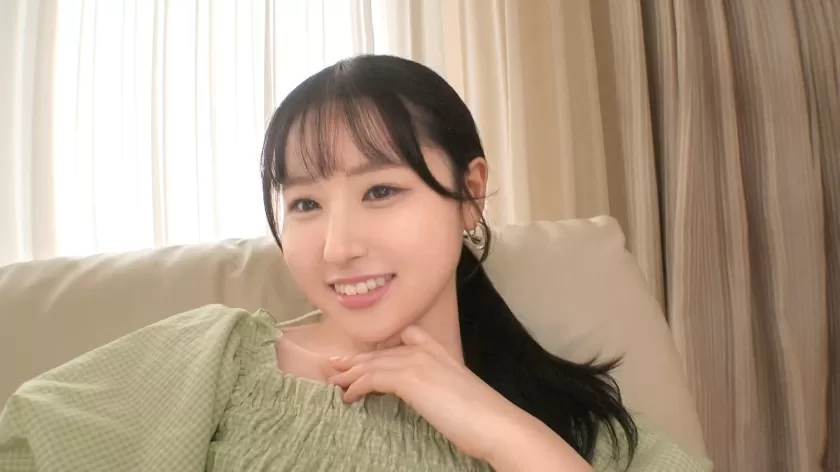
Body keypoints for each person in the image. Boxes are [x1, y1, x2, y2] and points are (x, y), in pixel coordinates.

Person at [0, 55, 712, 471]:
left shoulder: (578, 426)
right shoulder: (215, 361)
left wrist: (502, 431)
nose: (337, 246)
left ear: (470, 194)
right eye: (305, 204)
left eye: (380, 191)